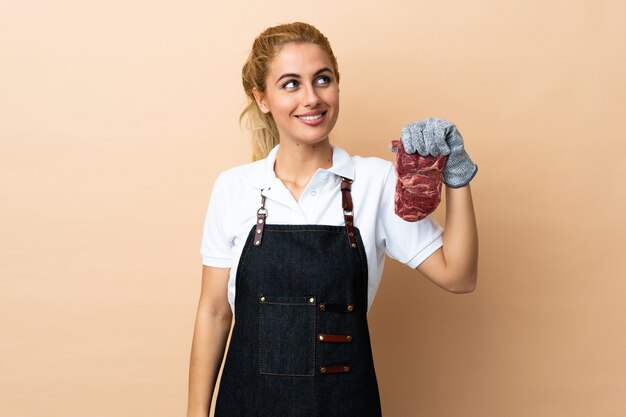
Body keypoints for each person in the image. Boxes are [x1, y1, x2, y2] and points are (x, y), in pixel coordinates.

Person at [187, 22, 478, 417]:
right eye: (291, 84)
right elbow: (214, 311)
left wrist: (456, 177)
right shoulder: (234, 188)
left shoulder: (374, 182)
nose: (311, 98)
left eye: (322, 79)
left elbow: (459, 275)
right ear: (262, 98)